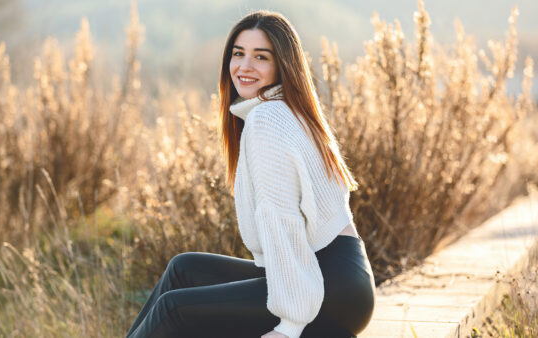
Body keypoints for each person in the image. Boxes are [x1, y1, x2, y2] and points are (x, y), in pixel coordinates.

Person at [125, 10, 375, 338]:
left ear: (282, 65)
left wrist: (290, 324)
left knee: (175, 308)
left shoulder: (267, 119)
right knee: (183, 269)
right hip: (344, 279)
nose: (244, 66)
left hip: (331, 289)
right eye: (238, 54)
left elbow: (281, 218)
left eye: (261, 57)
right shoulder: (291, 111)